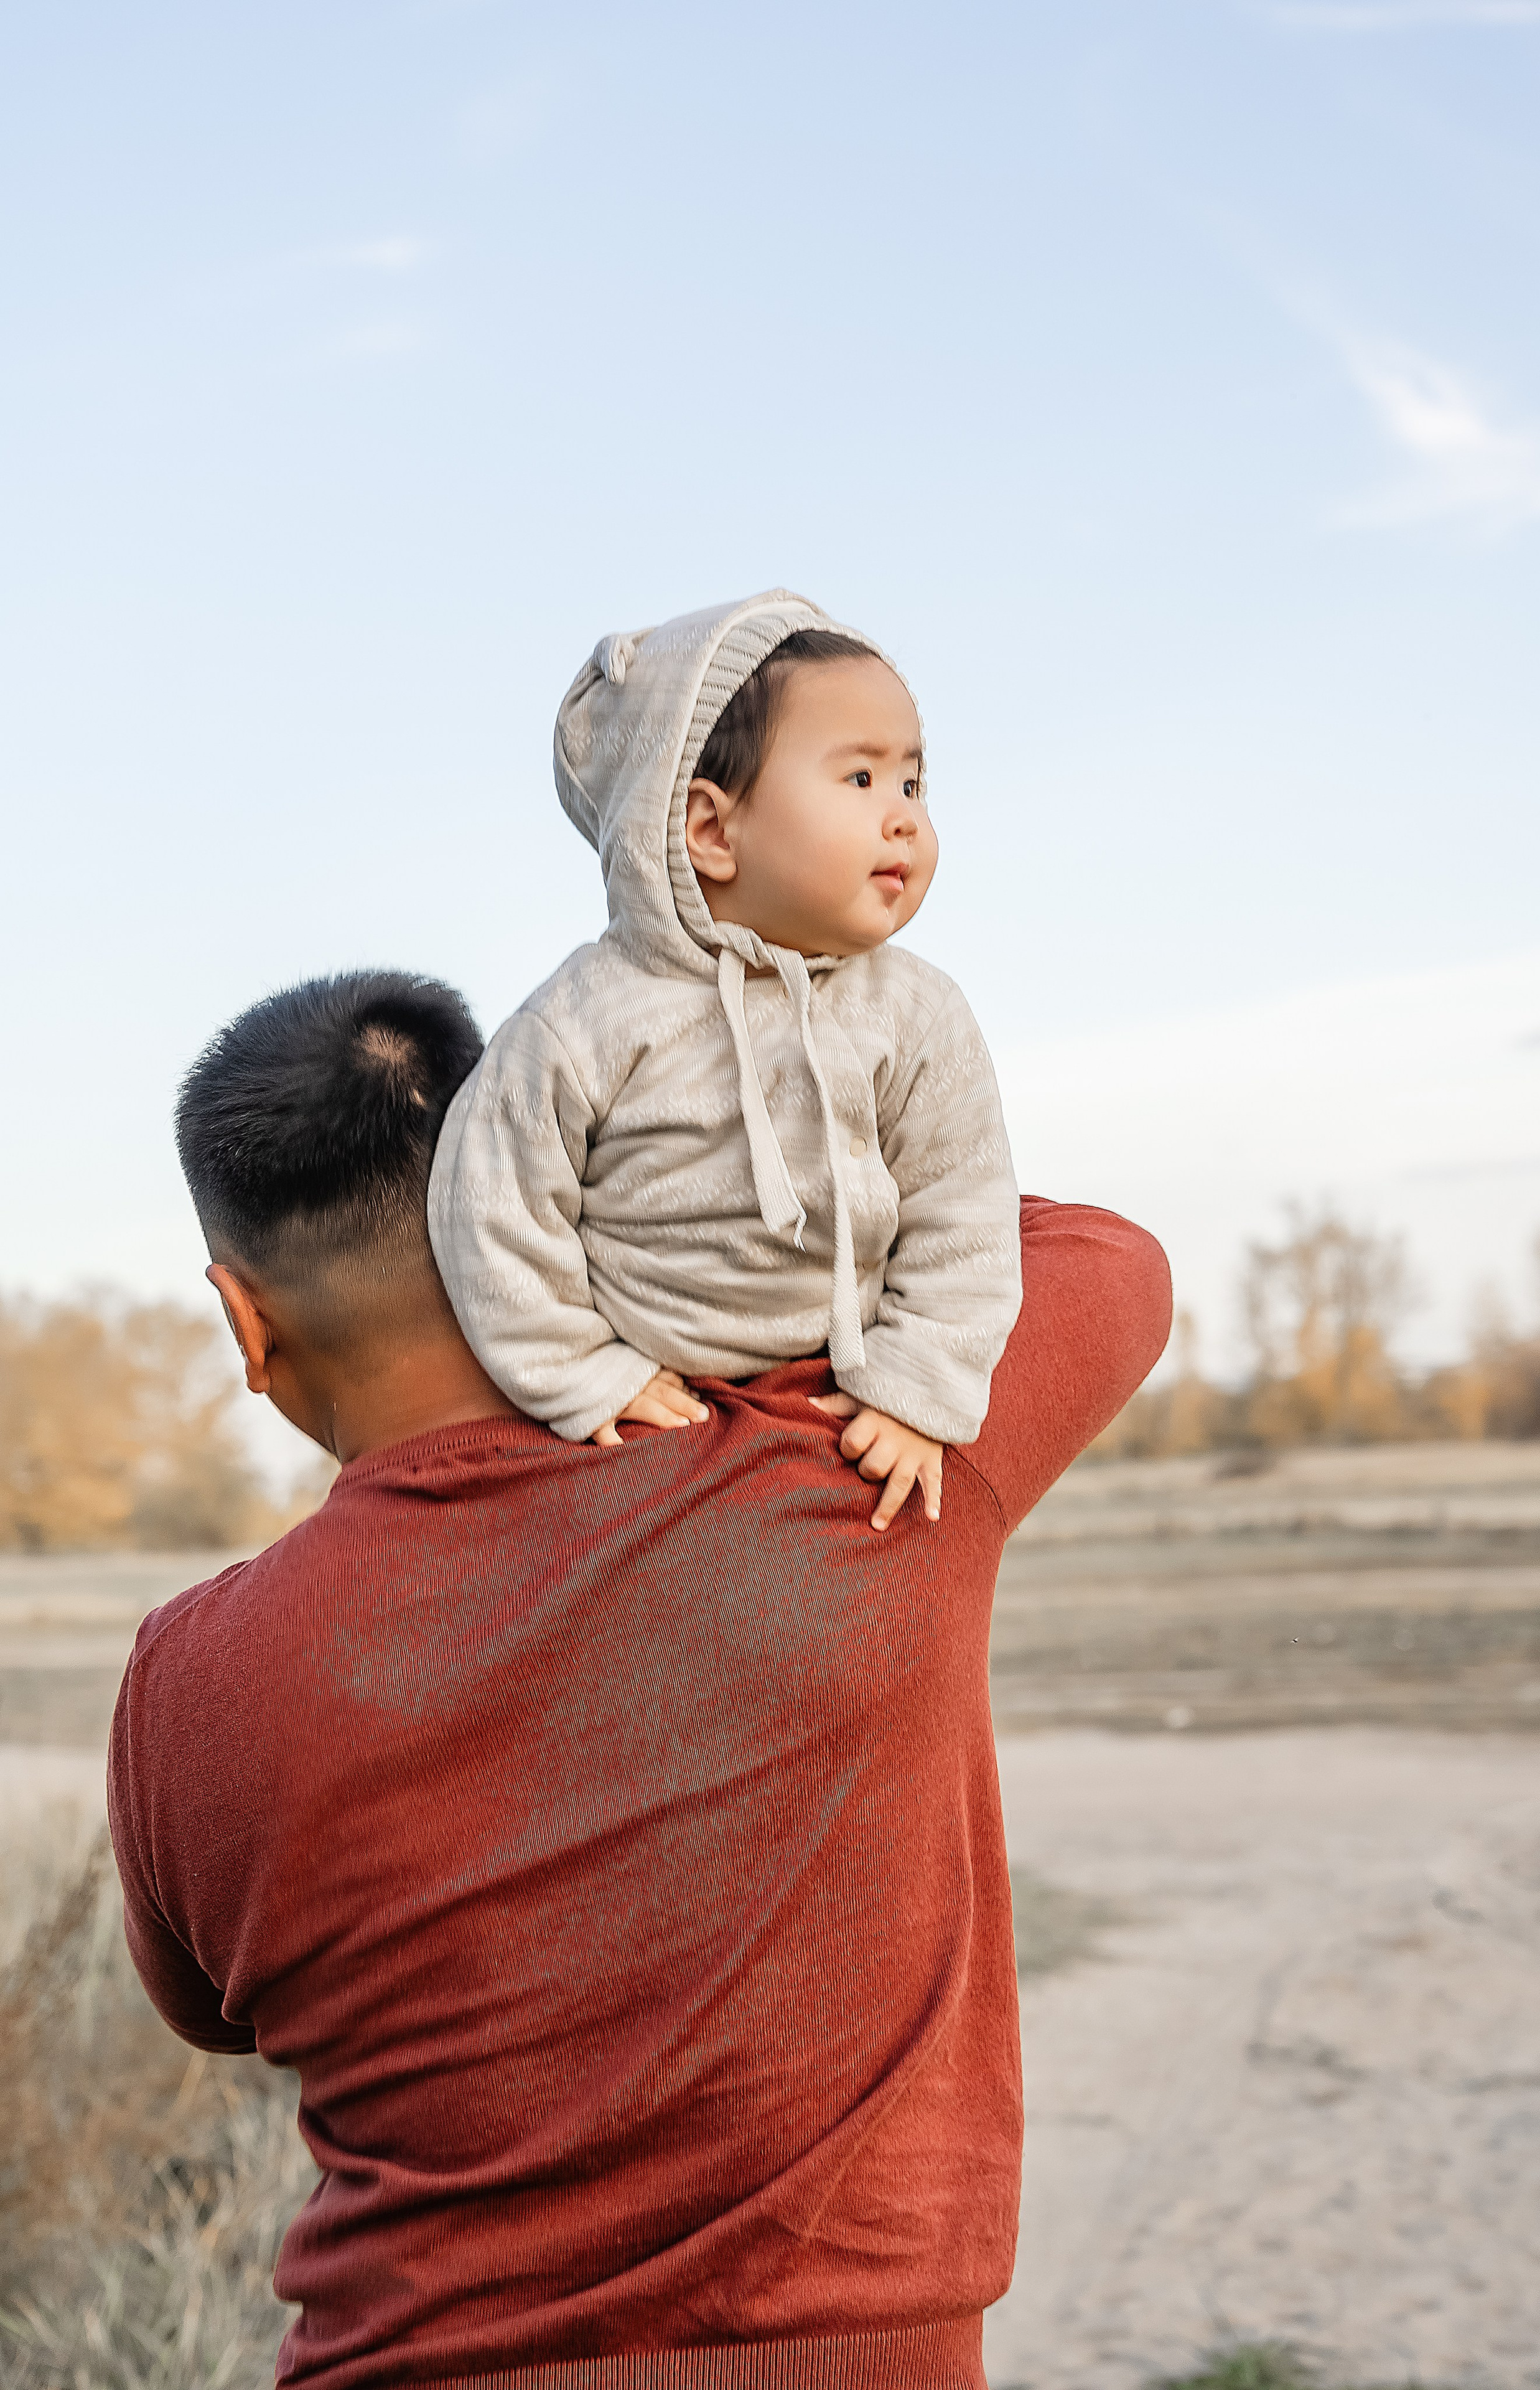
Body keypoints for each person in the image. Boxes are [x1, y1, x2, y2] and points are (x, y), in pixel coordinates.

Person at [109, 967, 1171, 2390]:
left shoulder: (187, 1684)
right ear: (565, 1200)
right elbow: (1106, 1262)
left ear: (246, 1325)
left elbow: (205, 2012)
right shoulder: (837, 1469)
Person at [429, 591, 1022, 1532]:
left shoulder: (915, 1012)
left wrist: (918, 1388)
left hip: (843, 1383)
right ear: (709, 831)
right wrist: (583, 1373)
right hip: (654, 1396)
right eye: (860, 781)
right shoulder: (587, 1018)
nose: (904, 818)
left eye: (913, 783)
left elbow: (966, 1213)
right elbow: (493, 1209)